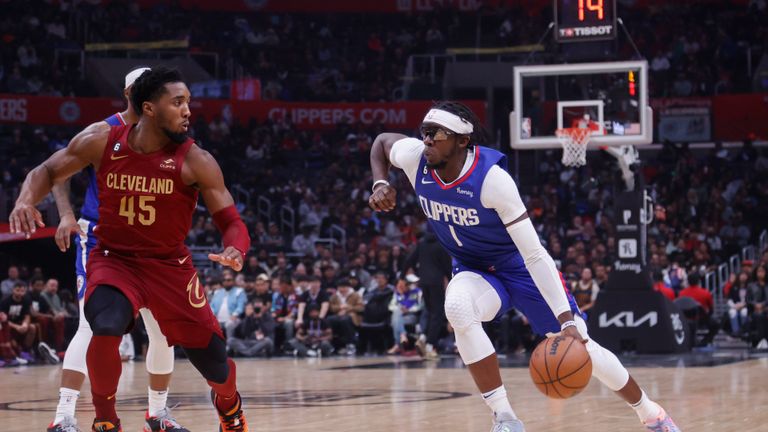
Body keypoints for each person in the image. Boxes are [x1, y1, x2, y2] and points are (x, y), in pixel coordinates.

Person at [368, 101, 681, 432]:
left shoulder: (492, 181)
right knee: (458, 307)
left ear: (462, 140)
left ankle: (652, 414)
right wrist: (379, 183)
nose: (427, 140)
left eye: (436, 135)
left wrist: (566, 322)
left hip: (518, 267)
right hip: (473, 268)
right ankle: (505, 418)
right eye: (425, 133)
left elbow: (534, 254)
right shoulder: (415, 159)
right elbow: (381, 143)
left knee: (584, 348)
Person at [10, 67, 251, 432]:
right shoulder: (102, 139)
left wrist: (235, 249)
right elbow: (47, 170)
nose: (188, 111)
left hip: (169, 267)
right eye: (178, 102)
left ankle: (229, 407)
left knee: (217, 366)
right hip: (114, 258)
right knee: (102, 325)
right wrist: (25, 200)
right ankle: (105, 420)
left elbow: (232, 221)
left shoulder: (195, 159)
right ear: (149, 108)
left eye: (188, 102)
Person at [36, 67, 189, 432]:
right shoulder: (103, 130)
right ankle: (64, 416)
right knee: (90, 326)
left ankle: (158, 414)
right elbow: (54, 171)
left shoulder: (168, 136)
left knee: (162, 331)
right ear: (131, 93)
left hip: (152, 246)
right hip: (102, 240)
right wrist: (66, 215)